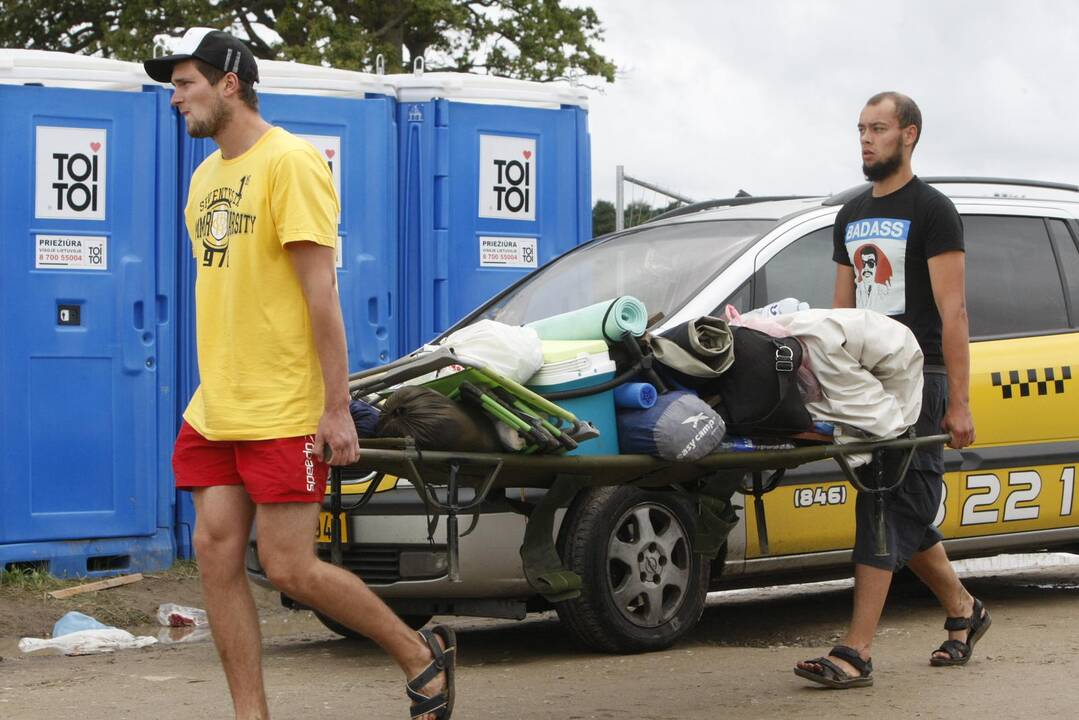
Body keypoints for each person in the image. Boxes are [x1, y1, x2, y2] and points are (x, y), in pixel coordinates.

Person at [144, 28, 456, 719]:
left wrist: (335, 407)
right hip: (216, 404)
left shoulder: (291, 163)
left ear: (230, 83)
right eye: (173, 87)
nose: (175, 99)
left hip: (284, 404)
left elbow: (322, 294)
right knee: (214, 553)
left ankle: (416, 652)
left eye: (185, 83)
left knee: (288, 567)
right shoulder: (205, 178)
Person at [794, 91, 988, 689]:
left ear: (910, 135)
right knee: (892, 499)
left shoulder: (934, 210)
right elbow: (841, 314)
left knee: (881, 499)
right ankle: (963, 610)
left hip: (920, 376)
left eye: (878, 129)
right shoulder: (849, 214)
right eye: (860, 130)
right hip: (867, 382)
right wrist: (827, 382)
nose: (866, 139)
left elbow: (953, 311)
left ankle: (856, 650)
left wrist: (958, 400)